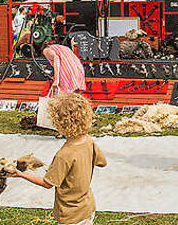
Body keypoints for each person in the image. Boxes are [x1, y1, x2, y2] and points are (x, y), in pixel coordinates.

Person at [10, 93, 106, 225]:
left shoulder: (63, 155)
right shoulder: (89, 141)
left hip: (70, 214)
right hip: (88, 207)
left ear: (58, 123)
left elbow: (47, 183)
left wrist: (21, 174)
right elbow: (102, 162)